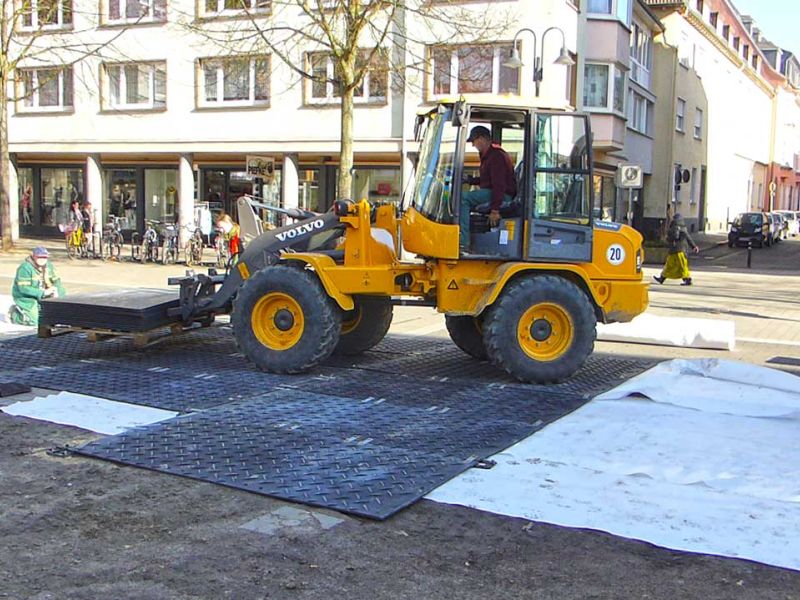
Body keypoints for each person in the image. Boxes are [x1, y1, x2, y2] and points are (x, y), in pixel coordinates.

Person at [459, 125, 517, 249]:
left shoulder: (496, 157)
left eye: (474, 141)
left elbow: (499, 184)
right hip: (496, 193)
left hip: (502, 196)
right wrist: (469, 180)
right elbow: (488, 180)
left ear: (482, 139)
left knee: (462, 199)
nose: (473, 145)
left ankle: (462, 242)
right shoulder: (488, 156)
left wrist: (495, 210)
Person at [8, 247, 65, 327]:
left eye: (44, 257)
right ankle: (15, 315)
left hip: (45, 293)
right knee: (36, 322)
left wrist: (57, 293)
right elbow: (23, 289)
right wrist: (43, 292)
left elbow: (56, 281)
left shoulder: (49, 266)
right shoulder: (25, 268)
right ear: (34, 256)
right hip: (26, 297)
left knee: (60, 311)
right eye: (39, 257)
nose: (42, 259)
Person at [653, 213, 699, 286]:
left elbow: (674, 237)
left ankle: (686, 279)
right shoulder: (683, 228)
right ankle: (662, 278)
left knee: (672, 265)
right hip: (680, 250)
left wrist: (668, 238)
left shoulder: (675, 226)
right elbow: (688, 238)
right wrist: (694, 246)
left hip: (676, 250)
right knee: (680, 265)